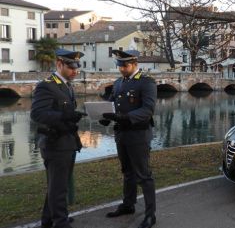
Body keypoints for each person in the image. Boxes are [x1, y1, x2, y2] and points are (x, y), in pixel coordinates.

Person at [99, 49, 157, 228]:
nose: (122, 69)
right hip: (122, 134)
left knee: (144, 175)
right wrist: (104, 116)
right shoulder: (118, 83)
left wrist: (124, 117)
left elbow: (147, 110)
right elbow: (111, 104)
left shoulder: (146, 83)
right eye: (120, 65)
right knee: (127, 172)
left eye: (125, 65)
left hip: (138, 134)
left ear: (135, 64)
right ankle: (128, 204)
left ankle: (150, 215)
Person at [31, 49, 87, 228]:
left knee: (57, 184)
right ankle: (61, 222)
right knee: (59, 187)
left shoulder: (66, 85)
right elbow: (37, 114)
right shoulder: (47, 85)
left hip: (67, 141)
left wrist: (71, 116)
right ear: (59, 64)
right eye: (71, 67)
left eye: (76, 67)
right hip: (54, 143)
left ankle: (48, 220)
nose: (75, 71)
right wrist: (65, 115)